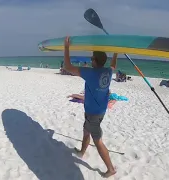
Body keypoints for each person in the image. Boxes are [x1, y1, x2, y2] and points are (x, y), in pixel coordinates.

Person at [63, 36, 118, 178]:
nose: (90, 60)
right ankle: (82, 151)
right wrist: (117, 52)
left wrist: (67, 47)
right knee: (85, 130)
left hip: (93, 113)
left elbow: (67, 67)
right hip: (99, 110)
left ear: (95, 61)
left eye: (92, 58)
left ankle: (111, 169)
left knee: (98, 141)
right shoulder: (108, 72)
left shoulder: (90, 73)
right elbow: (113, 65)